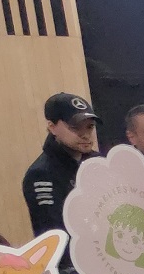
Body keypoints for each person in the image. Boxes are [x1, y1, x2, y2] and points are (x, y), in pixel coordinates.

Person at [22, 92, 96, 238]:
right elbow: (54, 234)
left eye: (90, 127)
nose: (85, 134)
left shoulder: (97, 162)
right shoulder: (41, 174)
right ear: (52, 127)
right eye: (75, 127)